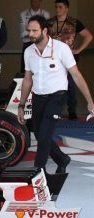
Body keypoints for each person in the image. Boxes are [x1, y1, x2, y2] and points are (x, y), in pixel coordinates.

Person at [18, 15, 94, 174]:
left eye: (34, 30)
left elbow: (76, 75)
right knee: (39, 134)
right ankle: (62, 159)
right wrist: (21, 105)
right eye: (29, 30)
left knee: (45, 134)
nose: (30, 34)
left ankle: (38, 172)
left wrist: (89, 101)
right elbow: (27, 80)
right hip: (38, 97)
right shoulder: (28, 52)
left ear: (45, 31)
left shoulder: (61, 48)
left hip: (57, 96)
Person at [48, 0, 93, 120]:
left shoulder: (74, 22)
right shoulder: (49, 22)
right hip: (53, 59)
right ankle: (55, 111)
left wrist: (79, 50)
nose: (57, 9)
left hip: (69, 59)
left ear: (67, 8)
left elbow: (88, 36)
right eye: (56, 7)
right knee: (54, 86)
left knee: (71, 85)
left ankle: (72, 111)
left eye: (60, 7)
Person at [19, 0, 50, 72]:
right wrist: (37, 32)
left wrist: (29, 32)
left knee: (43, 69)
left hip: (43, 45)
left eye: (37, 0)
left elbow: (46, 31)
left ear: (41, 1)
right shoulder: (23, 14)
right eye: (33, 0)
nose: (35, 2)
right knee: (25, 70)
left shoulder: (46, 14)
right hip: (28, 44)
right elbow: (23, 33)